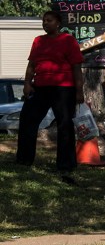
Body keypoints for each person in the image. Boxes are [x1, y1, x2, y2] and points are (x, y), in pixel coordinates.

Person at [16, 10, 85, 180]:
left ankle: (65, 164)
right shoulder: (38, 41)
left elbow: (76, 67)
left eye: (49, 20)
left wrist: (79, 90)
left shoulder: (68, 40)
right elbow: (31, 65)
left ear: (58, 23)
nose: (45, 23)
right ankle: (24, 160)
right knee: (27, 121)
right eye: (43, 21)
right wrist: (27, 83)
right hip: (40, 88)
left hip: (63, 88)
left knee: (65, 125)